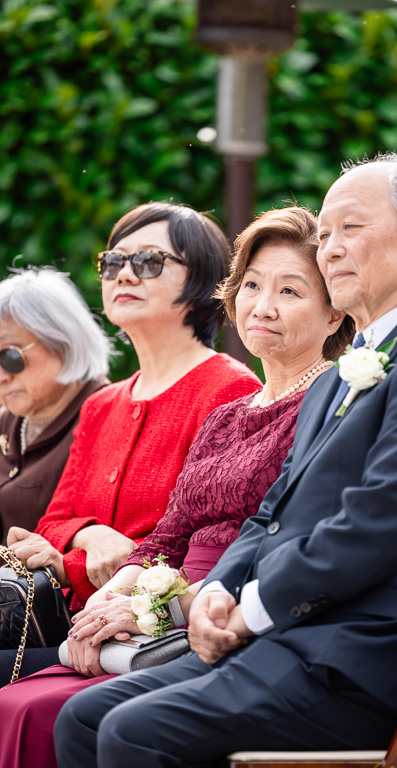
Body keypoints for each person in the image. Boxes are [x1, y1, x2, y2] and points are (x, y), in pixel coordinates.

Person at [52, 153, 397, 768]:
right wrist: (219, 590)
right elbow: (270, 514)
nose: (331, 249)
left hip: (355, 662)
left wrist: (251, 607)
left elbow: (379, 521)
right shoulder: (333, 380)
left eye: (351, 228)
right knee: (82, 717)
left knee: (133, 733)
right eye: (326, 234)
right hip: (282, 642)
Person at [0, 206, 353, 768]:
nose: (263, 305)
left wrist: (151, 607)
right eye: (253, 286)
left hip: (212, 618)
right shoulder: (229, 414)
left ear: (336, 315)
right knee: (22, 700)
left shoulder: (324, 405)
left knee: (52, 708)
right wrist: (116, 591)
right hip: (141, 610)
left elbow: (274, 542)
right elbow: (164, 534)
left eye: (289, 291)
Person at [0, 201, 260, 686]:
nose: (124, 274)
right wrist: (90, 536)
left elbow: (200, 541)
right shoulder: (104, 404)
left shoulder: (229, 391)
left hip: (145, 639)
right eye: (113, 262)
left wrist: (71, 560)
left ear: (201, 280)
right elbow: (52, 521)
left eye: (148, 261)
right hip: (72, 621)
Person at [0, 267, 110, 543]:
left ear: (61, 341)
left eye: (9, 356)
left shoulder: (108, 415)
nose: (2, 376)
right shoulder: (8, 421)